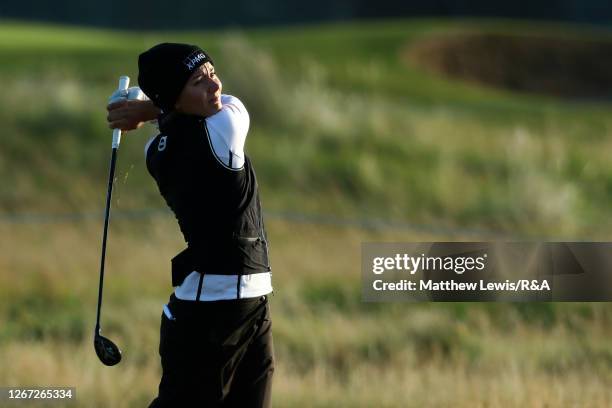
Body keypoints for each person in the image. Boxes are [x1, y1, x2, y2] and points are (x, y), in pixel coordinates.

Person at [106, 43, 274, 407]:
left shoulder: (156, 152)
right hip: (212, 313)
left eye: (213, 74)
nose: (214, 86)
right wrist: (148, 109)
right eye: (199, 81)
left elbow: (178, 110)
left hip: (244, 302)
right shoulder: (224, 129)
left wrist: (149, 109)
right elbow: (232, 102)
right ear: (173, 98)